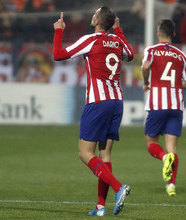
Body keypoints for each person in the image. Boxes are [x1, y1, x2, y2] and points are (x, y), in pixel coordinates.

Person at [53, 7, 133, 216]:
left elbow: (58, 55)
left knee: (84, 153)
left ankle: (118, 188)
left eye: (94, 14)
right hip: (117, 101)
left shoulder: (91, 39)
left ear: (97, 20)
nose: (92, 16)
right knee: (104, 154)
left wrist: (59, 30)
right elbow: (131, 55)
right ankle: (100, 207)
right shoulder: (118, 41)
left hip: (98, 102)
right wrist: (118, 29)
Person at [142, 19, 186, 196]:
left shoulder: (151, 50)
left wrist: (146, 81)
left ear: (158, 33)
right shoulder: (182, 55)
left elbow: (146, 66)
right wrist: (177, 83)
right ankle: (171, 186)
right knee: (173, 148)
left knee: (151, 143)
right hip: (176, 106)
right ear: (174, 35)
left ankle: (164, 158)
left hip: (158, 104)